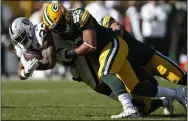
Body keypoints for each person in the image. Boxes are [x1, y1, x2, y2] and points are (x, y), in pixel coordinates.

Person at [9, 17, 178, 118]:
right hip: (70, 60)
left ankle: (140, 100)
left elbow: (50, 61)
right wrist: (25, 71)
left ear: (29, 28)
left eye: (22, 35)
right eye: (18, 38)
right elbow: (20, 70)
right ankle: (157, 101)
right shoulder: (22, 48)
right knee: (101, 85)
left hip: (76, 52)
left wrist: (35, 68)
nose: (21, 41)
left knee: (103, 79)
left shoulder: (41, 32)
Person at [42, 3, 187, 118]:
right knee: (137, 89)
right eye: (57, 26)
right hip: (123, 59)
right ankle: (175, 94)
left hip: (127, 50)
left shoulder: (87, 18)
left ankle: (129, 109)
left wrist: (71, 53)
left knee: (105, 72)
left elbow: (93, 44)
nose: (61, 27)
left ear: (66, 15)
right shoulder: (59, 32)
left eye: (61, 23)